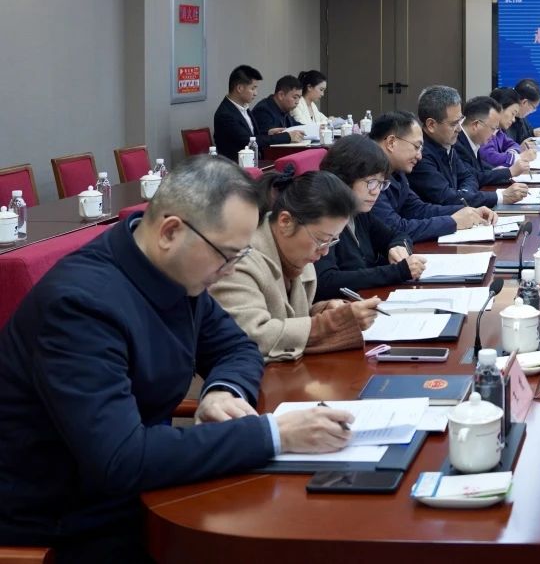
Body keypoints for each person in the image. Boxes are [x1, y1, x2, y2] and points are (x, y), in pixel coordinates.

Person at [0, 156, 355, 560]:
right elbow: (119, 458)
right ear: (170, 231)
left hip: (146, 487)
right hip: (68, 522)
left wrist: (221, 390)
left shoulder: (175, 270)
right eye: (227, 255)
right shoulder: (80, 306)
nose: (230, 270)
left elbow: (236, 347)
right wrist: (275, 435)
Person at [210, 167, 379, 362]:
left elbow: (290, 316)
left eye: (332, 241)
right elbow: (253, 335)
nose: (325, 251)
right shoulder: (238, 260)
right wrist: (333, 323)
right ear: (285, 222)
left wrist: (324, 310)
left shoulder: (298, 253)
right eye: (322, 240)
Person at [314, 135, 427, 300]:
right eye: (371, 182)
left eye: (381, 183)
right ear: (344, 179)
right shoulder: (322, 217)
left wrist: (397, 247)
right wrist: (396, 271)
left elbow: (398, 235)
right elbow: (325, 281)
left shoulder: (360, 213)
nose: (376, 191)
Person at [368, 111, 493, 242]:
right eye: (416, 147)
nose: (419, 156)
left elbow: (418, 209)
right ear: (391, 142)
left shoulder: (396, 171)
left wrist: (468, 211)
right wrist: (452, 222)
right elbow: (394, 228)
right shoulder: (367, 174)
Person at [410, 85, 529, 209]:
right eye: (454, 123)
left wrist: (464, 193)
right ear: (431, 125)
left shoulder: (446, 143)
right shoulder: (420, 155)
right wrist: (499, 196)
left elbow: (469, 177)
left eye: (460, 120)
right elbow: (447, 198)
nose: (459, 128)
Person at [458, 95, 529, 187]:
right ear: (476, 125)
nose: (494, 135)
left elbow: (479, 169)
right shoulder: (457, 145)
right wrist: (509, 172)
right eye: (493, 129)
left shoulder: (473, 140)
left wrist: (497, 170)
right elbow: (474, 176)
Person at [213, 63, 263, 158]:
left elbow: (252, 135)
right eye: (253, 88)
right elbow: (248, 141)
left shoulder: (243, 107)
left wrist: (269, 133)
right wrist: (285, 137)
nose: (256, 93)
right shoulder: (225, 114)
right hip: (236, 164)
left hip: (253, 160)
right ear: (239, 88)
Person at [481, 87, 538, 169]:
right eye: (512, 113)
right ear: (499, 108)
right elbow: (491, 158)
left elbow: (514, 145)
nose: (514, 120)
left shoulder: (498, 131)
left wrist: (511, 154)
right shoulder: (485, 130)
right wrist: (519, 157)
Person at [251, 75, 307, 147]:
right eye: (295, 97)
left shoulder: (284, 108)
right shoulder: (263, 111)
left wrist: (314, 129)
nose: (297, 102)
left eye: (299, 98)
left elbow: (295, 125)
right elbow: (266, 140)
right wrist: (288, 136)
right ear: (281, 95)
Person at [507, 78, 540, 143]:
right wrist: (519, 148)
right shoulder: (506, 119)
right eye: (533, 108)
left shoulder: (520, 117)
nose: (532, 111)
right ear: (524, 102)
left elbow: (527, 133)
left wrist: (532, 133)